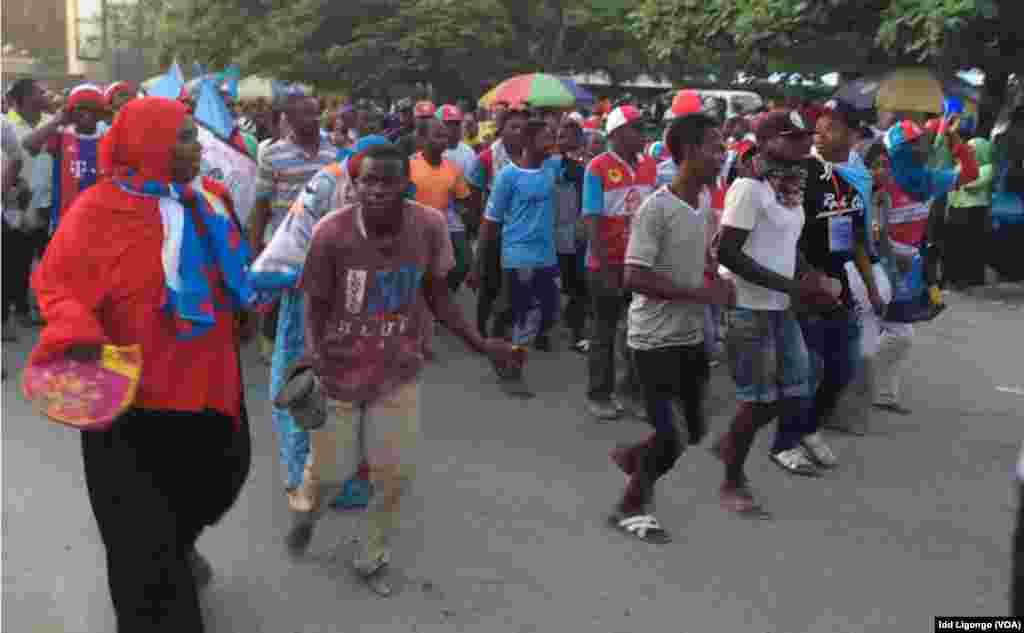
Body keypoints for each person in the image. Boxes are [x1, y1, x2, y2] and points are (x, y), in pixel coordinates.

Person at [29, 96, 253, 632]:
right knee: (143, 554)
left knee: (223, 478)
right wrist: (75, 328)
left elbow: (234, 267)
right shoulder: (98, 210)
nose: (198, 147)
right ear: (148, 143)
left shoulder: (213, 199)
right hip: (132, 405)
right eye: (184, 137)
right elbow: (57, 285)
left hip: (212, 386)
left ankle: (177, 542)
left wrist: (250, 306)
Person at [293, 142, 524, 595]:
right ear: (355, 186)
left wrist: (479, 343)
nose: (377, 190)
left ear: (406, 186)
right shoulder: (330, 232)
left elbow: (438, 295)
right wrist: (314, 354)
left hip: (397, 366)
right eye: (368, 181)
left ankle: (372, 556)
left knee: (393, 474)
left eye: (387, 181)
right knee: (330, 472)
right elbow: (315, 303)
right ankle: (306, 513)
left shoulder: (429, 226)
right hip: (339, 369)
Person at [609, 113, 735, 543]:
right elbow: (634, 276)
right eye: (714, 147)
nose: (722, 155)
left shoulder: (702, 203)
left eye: (723, 147)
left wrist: (716, 283)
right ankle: (631, 505)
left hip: (691, 335)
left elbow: (699, 262)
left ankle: (635, 457)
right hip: (652, 339)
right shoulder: (655, 208)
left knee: (694, 429)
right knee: (673, 434)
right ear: (687, 152)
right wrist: (702, 295)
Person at [713, 109, 840, 516]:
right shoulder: (749, 188)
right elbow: (727, 252)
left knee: (797, 387)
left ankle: (732, 442)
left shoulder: (788, 187)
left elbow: (786, 243)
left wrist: (809, 275)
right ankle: (733, 479)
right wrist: (793, 287)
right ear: (767, 141)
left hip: (780, 305)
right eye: (793, 138)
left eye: (807, 138)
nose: (805, 145)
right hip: (749, 307)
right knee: (757, 400)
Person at [771, 99, 884, 470]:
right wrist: (808, 277)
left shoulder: (851, 180)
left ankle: (809, 428)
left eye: (832, 125)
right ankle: (784, 442)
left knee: (843, 367)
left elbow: (856, 240)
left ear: (852, 135)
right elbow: (781, 232)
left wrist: (871, 288)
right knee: (802, 370)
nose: (821, 130)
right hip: (802, 287)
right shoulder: (799, 172)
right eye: (819, 123)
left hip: (839, 287)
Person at [251, 91, 338, 490]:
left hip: (329, 263)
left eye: (314, 111)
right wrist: (256, 261)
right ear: (286, 118)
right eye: (301, 113)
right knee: (292, 343)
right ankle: (297, 454)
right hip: (287, 263)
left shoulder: (336, 154)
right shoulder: (272, 155)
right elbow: (262, 209)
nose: (311, 118)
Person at [471, 118, 560, 397]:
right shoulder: (508, 177)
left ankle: (500, 347)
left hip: (546, 255)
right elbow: (491, 221)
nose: (552, 143)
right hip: (517, 254)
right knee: (519, 312)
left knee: (545, 313)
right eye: (546, 138)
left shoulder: (550, 169)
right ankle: (509, 366)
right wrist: (477, 263)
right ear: (530, 142)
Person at [582, 105, 656, 421]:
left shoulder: (650, 166)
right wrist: (606, 267)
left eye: (643, 128)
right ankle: (600, 394)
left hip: (639, 263)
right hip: (606, 266)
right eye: (635, 128)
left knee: (640, 332)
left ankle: (633, 392)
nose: (642, 134)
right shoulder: (597, 168)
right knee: (604, 331)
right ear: (616, 133)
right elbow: (592, 220)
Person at [468, 105, 529, 338]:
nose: (518, 132)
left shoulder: (530, 157)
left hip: (521, 230)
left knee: (515, 282)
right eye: (513, 127)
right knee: (490, 281)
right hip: (494, 228)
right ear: (501, 129)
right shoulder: (486, 158)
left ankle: (502, 328)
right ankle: (480, 327)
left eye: (523, 129)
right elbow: (474, 193)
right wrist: (480, 224)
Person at [22, 83, 108, 233]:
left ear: (100, 113)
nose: (87, 114)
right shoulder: (62, 136)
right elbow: (29, 145)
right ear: (70, 112)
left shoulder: (108, 139)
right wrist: (56, 121)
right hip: (65, 222)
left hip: (99, 223)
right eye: (81, 108)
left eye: (93, 109)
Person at [551, 116, 589, 352]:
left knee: (577, 285)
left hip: (574, 233)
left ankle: (576, 332)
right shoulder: (550, 164)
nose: (564, 139)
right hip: (550, 231)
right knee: (550, 281)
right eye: (561, 135)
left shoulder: (583, 167)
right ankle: (542, 331)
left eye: (571, 135)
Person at [946, 137, 994, 289]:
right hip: (956, 209)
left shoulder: (988, 167)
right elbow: (951, 187)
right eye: (968, 149)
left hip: (975, 211)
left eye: (973, 150)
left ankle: (974, 278)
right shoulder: (960, 166)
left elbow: (972, 186)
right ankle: (957, 278)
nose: (970, 152)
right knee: (957, 246)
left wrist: (961, 178)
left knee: (973, 246)